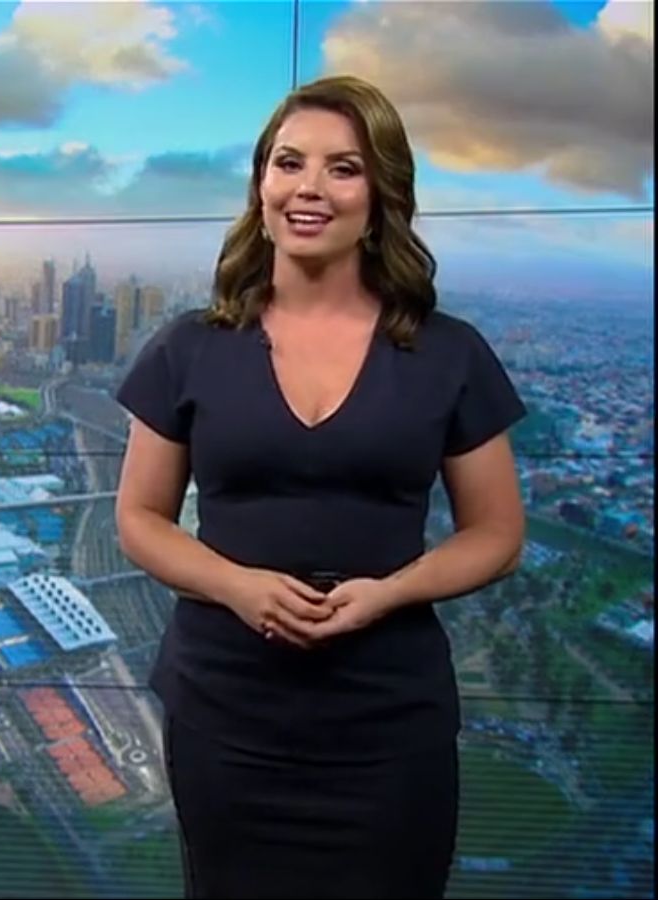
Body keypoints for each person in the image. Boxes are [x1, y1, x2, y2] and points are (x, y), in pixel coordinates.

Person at [113, 74, 527, 900]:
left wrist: (389, 595)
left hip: (388, 722)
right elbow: (139, 519)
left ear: (381, 195)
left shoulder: (450, 353)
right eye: (288, 162)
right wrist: (238, 587)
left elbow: (497, 533)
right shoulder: (187, 348)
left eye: (343, 168)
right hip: (225, 717)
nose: (309, 187)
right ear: (260, 186)